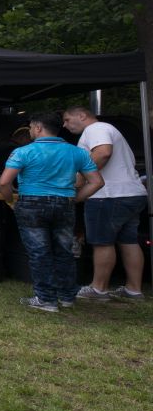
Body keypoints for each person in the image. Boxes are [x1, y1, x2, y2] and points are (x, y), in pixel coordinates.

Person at [0, 112, 104, 312]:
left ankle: (46, 300)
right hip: (64, 203)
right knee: (64, 251)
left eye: (31, 127)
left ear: (38, 128)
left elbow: (4, 182)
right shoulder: (77, 152)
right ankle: (67, 296)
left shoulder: (23, 152)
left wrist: (10, 201)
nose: (30, 130)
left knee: (40, 253)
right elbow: (97, 182)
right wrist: (75, 199)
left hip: (32, 203)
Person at [63, 107, 146, 301]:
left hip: (108, 195)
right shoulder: (108, 129)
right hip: (132, 193)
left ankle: (98, 289)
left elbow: (103, 153)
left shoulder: (95, 129)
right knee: (129, 241)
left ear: (82, 115)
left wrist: (81, 176)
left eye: (67, 119)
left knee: (102, 242)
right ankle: (134, 289)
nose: (65, 125)